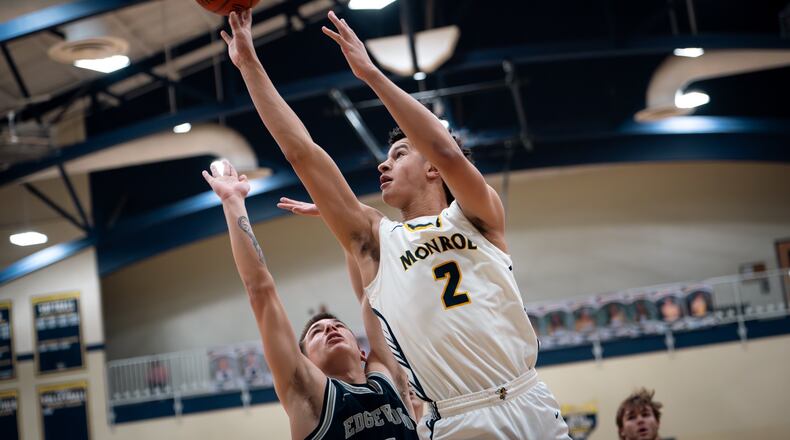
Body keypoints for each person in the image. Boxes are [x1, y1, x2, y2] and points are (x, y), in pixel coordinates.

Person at [222, 8, 569, 439]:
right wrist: (249, 65)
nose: (383, 166)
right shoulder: (376, 239)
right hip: (457, 419)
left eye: (399, 154)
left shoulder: (479, 216)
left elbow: (446, 150)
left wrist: (371, 74)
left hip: (528, 397)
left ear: (433, 170)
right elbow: (303, 153)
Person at [202, 160, 417, 439]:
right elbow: (260, 291)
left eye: (338, 327)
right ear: (307, 362)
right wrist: (232, 201)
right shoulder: (308, 395)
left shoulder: (389, 377)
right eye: (317, 332)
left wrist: (340, 219)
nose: (330, 329)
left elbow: (371, 286)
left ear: (362, 351)